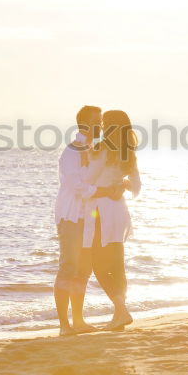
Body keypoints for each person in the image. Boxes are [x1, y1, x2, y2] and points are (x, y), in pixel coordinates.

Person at [53, 105, 123, 336]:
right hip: (71, 216)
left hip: (90, 218)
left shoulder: (94, 149)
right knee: (68, 267)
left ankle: (79, 321)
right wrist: (105, 191)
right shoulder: (72, 152)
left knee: (83, 269)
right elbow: (78, 187)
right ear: (83, 124)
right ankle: (64, 326)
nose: (101, 126)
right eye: (96, 122)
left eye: (101, 122)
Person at [83, 109, 141, 330]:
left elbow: (88, 180)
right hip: (119, 212)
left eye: (105, 122)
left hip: (102, 212)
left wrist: (106, 188)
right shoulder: (128, 152)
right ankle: (120, 314)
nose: (102, 126)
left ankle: (121, 310)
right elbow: (136, 187)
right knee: (117, 264)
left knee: (98, 264)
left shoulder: (102, 148)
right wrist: (121, 185)